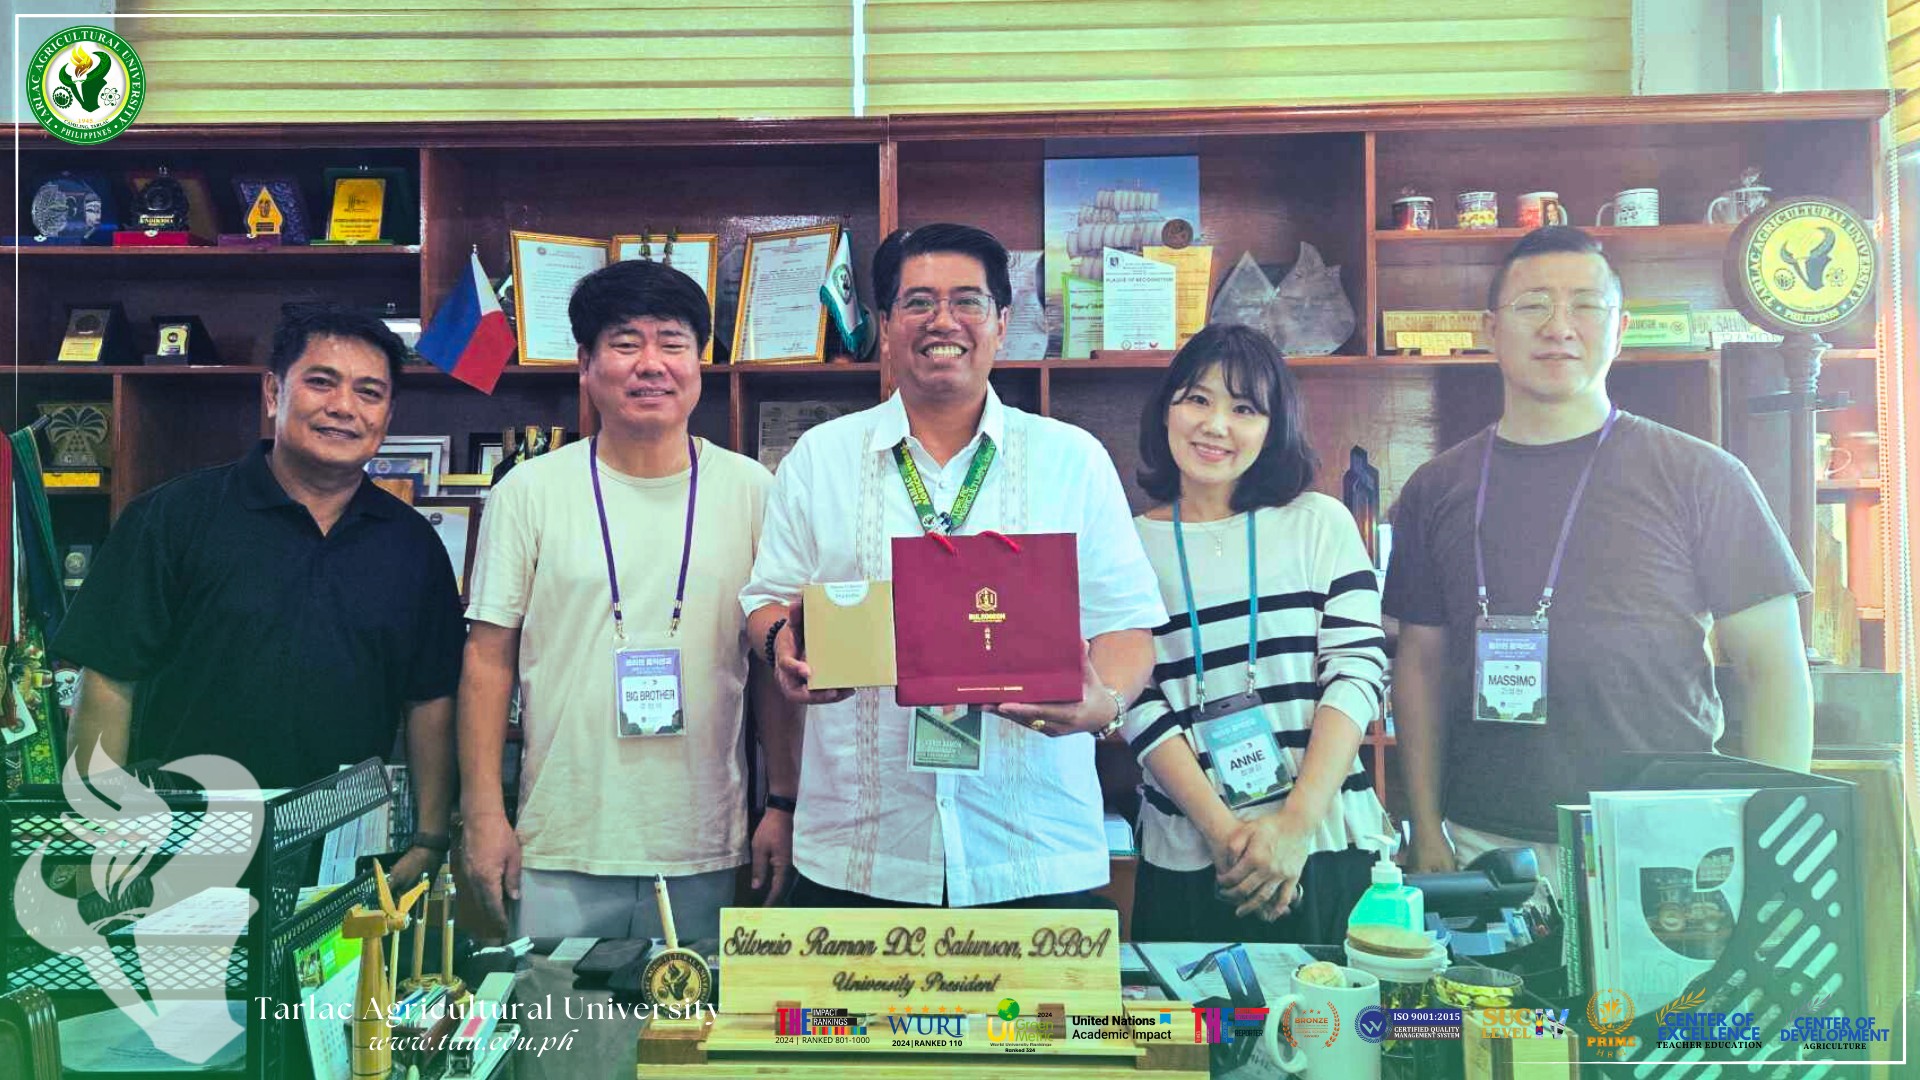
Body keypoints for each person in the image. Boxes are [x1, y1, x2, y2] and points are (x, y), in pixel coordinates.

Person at [740, 223, 1168, 908]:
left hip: (1034, 850)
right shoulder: (820, 459)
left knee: (1033, 1023)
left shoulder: (1072, 459)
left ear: (1001, 325)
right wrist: (781, 646)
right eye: (917, 302)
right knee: (848, 1022)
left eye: (967, 301)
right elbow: (766, 600)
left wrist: (1103, 703)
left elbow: (1126, 627)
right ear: (884, 327)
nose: (943, 320)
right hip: (860, 850)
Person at [1385, 226, 1813, 880]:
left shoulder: (1702, 476)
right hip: (1481, 839)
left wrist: (1775, 839)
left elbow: (1773, 667)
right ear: (1489, 330)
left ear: (1620, 329)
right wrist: (1426, 824)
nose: (1560, 325)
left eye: (1586, 305)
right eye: (1532, 305)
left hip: (1667, 837)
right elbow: (1419, 666)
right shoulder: (1436, 487)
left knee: (1669, 992)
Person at [54, 303, 463, 890]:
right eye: (321, 382)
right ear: (274, 392)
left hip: (345, 854)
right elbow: (109, 680)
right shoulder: (172, 519)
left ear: (388, 414)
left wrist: (428, 839)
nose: (344, 407)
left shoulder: (413, 546)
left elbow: (429, 701)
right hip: (180, 847)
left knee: (343, 985)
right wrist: (100, 832)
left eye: (369, 392)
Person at [458, 258, 798, 941]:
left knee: (695, 1035)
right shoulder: (529, 492)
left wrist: (783, 803)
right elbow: (487, 662)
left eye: (672, 343)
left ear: (699, 362)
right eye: (623, 343)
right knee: (566, 1040)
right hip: (560, 841)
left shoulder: (753, 489)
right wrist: (484, 816)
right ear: (585, 363)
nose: (651, 364)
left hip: (705, 840)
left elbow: (773, 663)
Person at [1123, 324, 1392, 945]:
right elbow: (1136, 702)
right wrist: (1225, 834)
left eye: (1244, 408)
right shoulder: (1127, 543)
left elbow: (1357, 672)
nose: (1216, 424)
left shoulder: (1318, 522)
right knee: (1191, 1039)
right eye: (1197, 399)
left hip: (1325, 843)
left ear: (1274, 426)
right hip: (1191, 854)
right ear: (1166, 409)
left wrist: (1295, 824)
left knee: (1336, 1036)